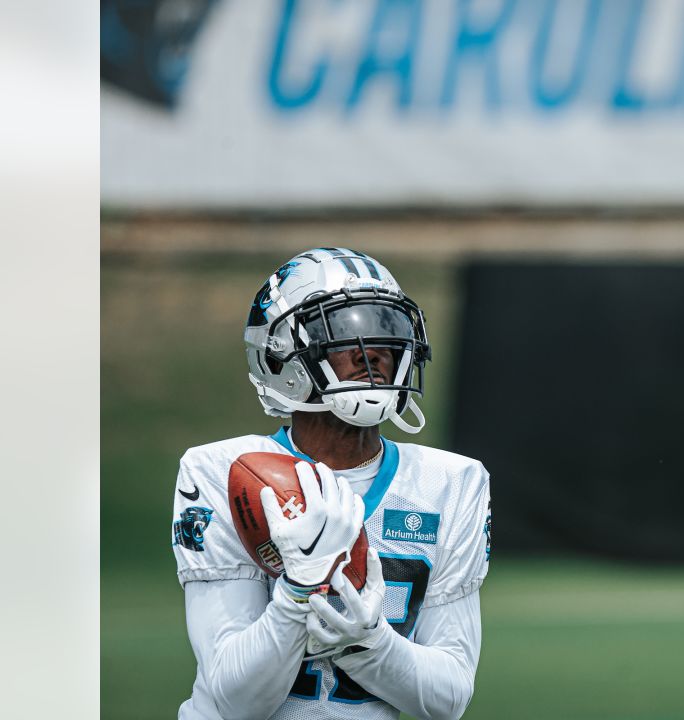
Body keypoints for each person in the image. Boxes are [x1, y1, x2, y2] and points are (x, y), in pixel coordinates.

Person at [170, 248, 491, 719]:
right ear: (281, 356)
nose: (377, 350)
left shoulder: (451, 482)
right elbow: (235, 701)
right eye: (344, 332)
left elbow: (448, 699)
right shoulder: (220, 471)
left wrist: (369, 642)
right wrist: (297, 597)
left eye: (388, 330)